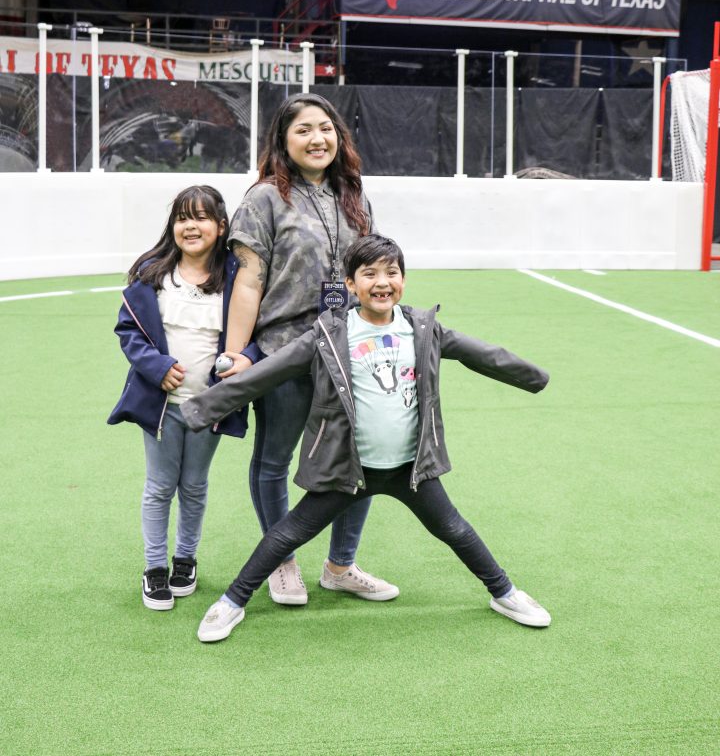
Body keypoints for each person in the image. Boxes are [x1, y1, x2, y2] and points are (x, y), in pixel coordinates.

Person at [180, 234, 552, 643]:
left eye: (391, 272)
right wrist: (199, 410)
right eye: (369, 273)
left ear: (404, 280)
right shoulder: (330, 334)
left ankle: (504, 592)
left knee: (456, 531)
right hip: (348, 470)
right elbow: (269, 373)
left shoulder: (422, 329)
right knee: (286, 534)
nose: (382, 282)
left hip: (411, 470)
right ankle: (232, 602)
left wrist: (534, 377)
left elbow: (482, 353)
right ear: (351, 284)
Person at [217, 93, 396, 607]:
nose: (317, 138)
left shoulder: (354, 196)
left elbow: (371, 275)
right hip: (286, 351)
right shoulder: (264, 199)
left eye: (326, 128)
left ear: (338, 136)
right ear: (283, 139)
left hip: (350, 352)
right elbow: (248, 282)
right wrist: (235, 357)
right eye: (303, 130)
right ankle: (281, 561)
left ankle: (341, 566)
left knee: (357, 459)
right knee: (274, 461)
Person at [108, 185, 259, 611]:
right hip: (161, 409)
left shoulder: (237, 277)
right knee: (159, 486)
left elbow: (258, 338)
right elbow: (129, 332)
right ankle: (155, 567)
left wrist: (243, 360)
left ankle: (185, 559)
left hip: (208, 407)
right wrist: (156, 368)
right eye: (182, 218)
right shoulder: (153, 274)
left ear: (221, 225)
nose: (190, 226)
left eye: (201, 217)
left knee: (193, 486)